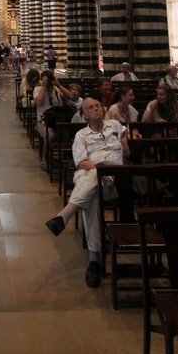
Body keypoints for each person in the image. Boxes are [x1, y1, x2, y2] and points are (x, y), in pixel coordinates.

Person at [45, 97, 129, 288]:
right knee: (92, 180)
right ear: (85, 116)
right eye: (91, 108)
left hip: (114, 180)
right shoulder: (81, 135)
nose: (96, 109)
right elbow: (81, 162)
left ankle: (65, 218)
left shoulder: (114, 125)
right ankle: (93, 259)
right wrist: (99, 168)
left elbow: (125, 136)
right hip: (91, 174)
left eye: (98, 105)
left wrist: (125, 142)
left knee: (91, 190)